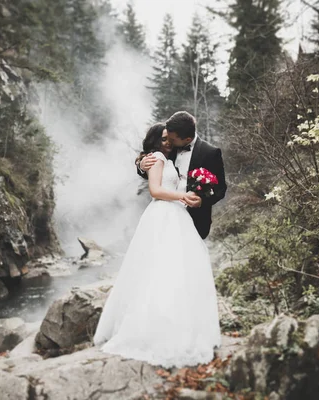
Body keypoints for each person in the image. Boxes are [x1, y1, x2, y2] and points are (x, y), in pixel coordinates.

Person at [93, 123, 221, 368]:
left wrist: (195, 196)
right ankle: (154, 328)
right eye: (162, 138)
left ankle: (181, 324)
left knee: (179, 271)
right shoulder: (157, 158)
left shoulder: (178, 157)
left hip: (178, 215)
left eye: (169, 138)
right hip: (163, 215)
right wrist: (182, 196)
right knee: (159, 269)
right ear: (154, 141)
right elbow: (155, 190)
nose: (167, 142)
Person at [138, 111, 226, 239]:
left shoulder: (210, 153)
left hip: (195, 218)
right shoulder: (168, 147)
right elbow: (155, 165)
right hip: (166, 214)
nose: (169, 142)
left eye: (172, 139)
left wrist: (202, 201)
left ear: (187, 139)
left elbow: (220, 189)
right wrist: (141, 166)